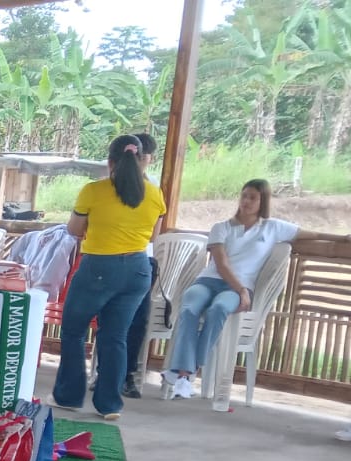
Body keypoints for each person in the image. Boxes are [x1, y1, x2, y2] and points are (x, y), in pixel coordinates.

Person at [164, 179, 351, 398]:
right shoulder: (221, 227)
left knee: (219, 308)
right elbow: (221, 264)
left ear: (263, 201)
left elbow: (313, 234)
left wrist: (343, 238)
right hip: (209, 281)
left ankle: (187, 370)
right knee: (189, 308)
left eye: (252, 197)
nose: (246, 201)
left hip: (237, 289)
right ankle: (186, 374)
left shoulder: (273, 227)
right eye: (244, 196)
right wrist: (242, 291)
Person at [54, 134, 166, 420]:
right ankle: (109, 405)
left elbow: (74, 230)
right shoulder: (155, 194)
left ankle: (69, 397)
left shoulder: (93, 191)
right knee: (115, 336)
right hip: (138, 269)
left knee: (74, 330)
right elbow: (152, 236)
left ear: (110, 162)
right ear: (141, 160)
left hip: (99, 267)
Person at [120, 132, 159, 398]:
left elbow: (153, 235)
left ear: (149, 159)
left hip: (141, 260)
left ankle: (128, 375)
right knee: (110, 319)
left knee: (137, 320)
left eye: (142, 157)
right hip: (110, 257)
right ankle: (105, 372)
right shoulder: (110, 185)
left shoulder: (152, 188)